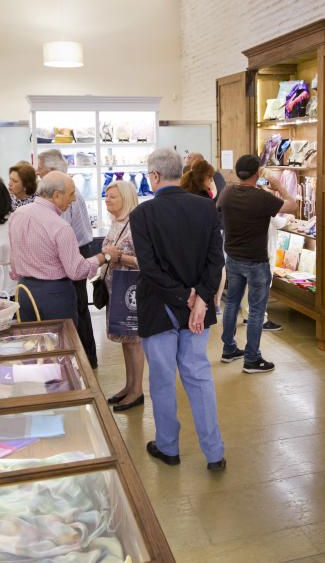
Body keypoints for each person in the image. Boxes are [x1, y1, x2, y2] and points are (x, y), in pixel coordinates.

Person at [130, 148, 226, 471]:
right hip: (198, 311)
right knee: (199, 376)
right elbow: (216, 261)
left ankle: (168, 446)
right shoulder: (206, 208)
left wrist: (183, 296)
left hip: (159, 308)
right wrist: (199, 297)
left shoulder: (142, 215)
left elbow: (150, 269)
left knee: (162, 379)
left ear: (154, 176)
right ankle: (214, 453)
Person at [216, 155, 298, 374]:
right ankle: (252, 358)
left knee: (232, 303)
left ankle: (229, 349)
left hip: (233, 257)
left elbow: (219, 209)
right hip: (256, 261)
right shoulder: (262, 198)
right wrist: (279, 185)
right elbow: (293, 205)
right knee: (255, 310)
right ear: (257, 173)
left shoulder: (227, 192)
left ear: (236, 171)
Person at [8, 172, 120, 325]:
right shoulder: (60, 227)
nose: (74, 199)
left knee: (32, 344)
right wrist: (104, 257)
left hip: (24, 292)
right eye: (71, 194)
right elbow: (77, 271)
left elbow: (13, 257)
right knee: (61, 345)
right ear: (56, 195)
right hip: (54, 296)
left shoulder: (17, 215)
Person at [37, 149, 99, 367]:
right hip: (77, 249)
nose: (38, 174)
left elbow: (60, 232)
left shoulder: (64, 195)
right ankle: (87, 360)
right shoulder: (65, 192)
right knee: (79, 308)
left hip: (75, 251)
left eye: (41, 171)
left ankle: (84, 361)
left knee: (77, 309)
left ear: (52, 171)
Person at [101, 180, 144, 412]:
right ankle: (129, 385)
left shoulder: (136, 224)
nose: (107, 200)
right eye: (106, 196)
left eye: (112, 197)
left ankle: (137, 390)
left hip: (131, 291)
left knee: (135, 341)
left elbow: (145, 261)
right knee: (125, 341)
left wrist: (119, 258)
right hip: (115, 289)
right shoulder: (116, 223)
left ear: (125, 199)